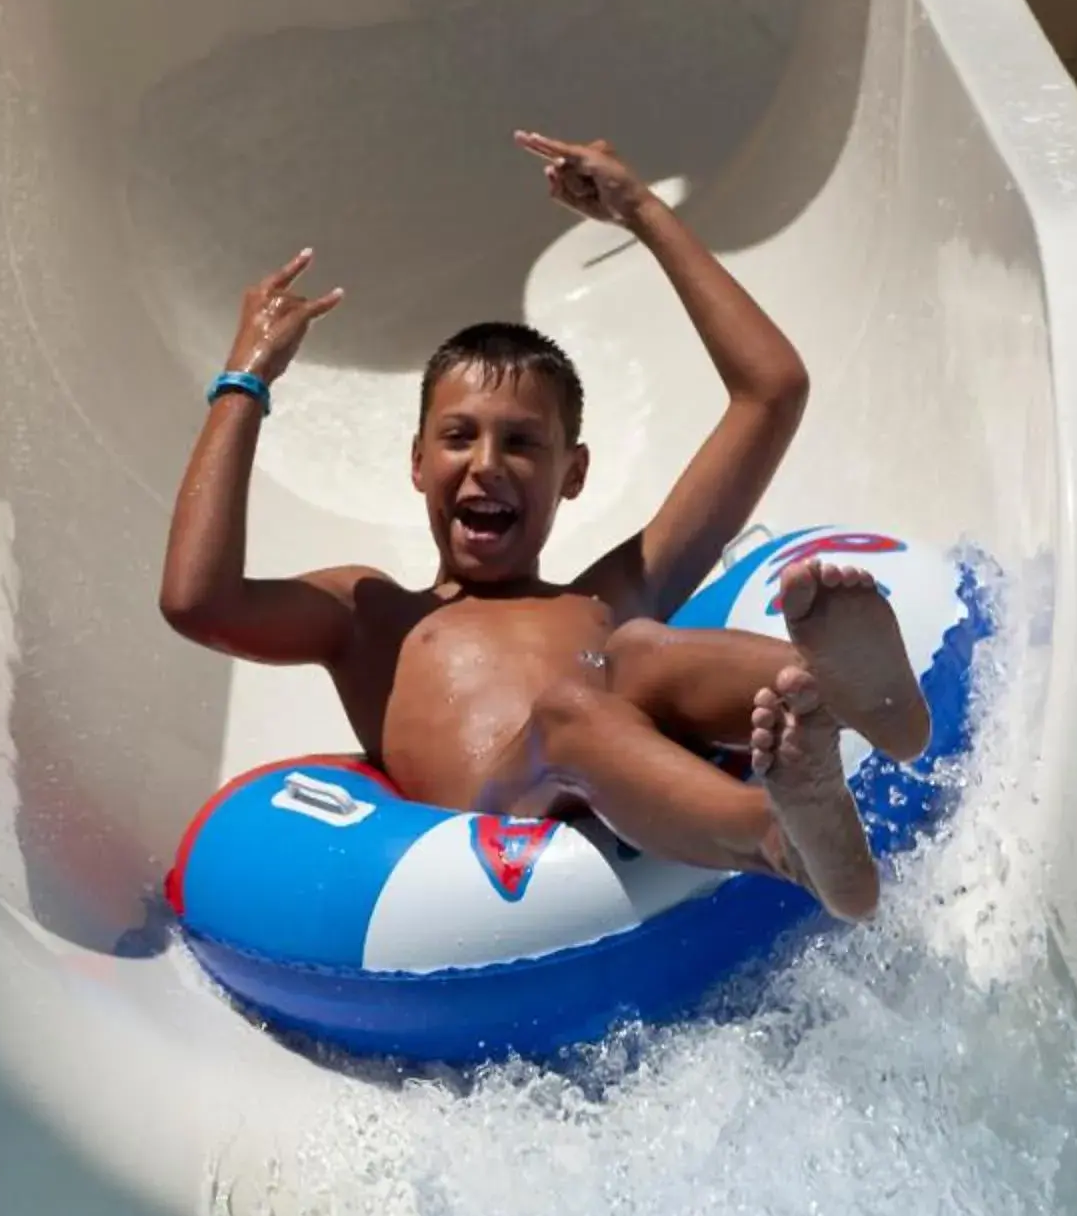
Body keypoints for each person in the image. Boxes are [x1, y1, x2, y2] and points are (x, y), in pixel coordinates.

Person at [159, 133, 931, 918]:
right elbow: (198, 601)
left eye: (523, 443)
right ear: (417, 463)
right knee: (572, 708)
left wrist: (641, 211)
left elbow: (772, 392)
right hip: (500, 815)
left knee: (632, 647)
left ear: (575, 475)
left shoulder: (611, 594)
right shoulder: (373, 618)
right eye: (459, 437)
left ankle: (863, 703)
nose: (487, 464)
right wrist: (244, 380)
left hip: (620, 743)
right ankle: (780, 838)